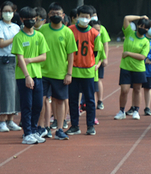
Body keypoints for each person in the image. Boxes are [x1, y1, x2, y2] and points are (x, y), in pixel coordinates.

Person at [39, 3, 76, 140]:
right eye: (53, 14)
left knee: (59, 101)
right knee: (41, 100)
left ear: (63, 15)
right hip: (42, 72)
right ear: (48, 15)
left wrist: (69, 73)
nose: (56, 16)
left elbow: (71, 54)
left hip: (60, 73)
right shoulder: (42, 30)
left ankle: (60, 129)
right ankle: (43, 127)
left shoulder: (67, 32)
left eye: (58, 14)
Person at [12, 7, 48, 145]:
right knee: (27, 105)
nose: (31, 21)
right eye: (28, 19)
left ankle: (34, 130)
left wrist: (30, 60)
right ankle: (27, 133)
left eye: (34, 19)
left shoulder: (39, 36)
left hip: (38, 75)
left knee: (38, 105)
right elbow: (20, 59)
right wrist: (27, 76)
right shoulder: (19, 37)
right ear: (22, 20)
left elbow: (43, 56)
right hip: (23, 76)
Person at [67, 5, 102, 136]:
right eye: (81, 16)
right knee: (73, 99)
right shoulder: (69, 30)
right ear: (77, 17)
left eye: (86, 17)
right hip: (73, 71)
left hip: (87, 71)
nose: (84, 19)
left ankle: (90, 126)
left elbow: (96, 51)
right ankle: (74, 125)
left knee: (90, 100)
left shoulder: (94, 33)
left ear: (90, 18)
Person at [114, 15, 150, 120]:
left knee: (137, 89)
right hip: (125, 67)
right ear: (138, 25)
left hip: (138, 69)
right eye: (141, 26)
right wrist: (140, 16)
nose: (143, 28)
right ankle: (121, 111)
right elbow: (126, 18)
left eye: (146, 27)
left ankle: (136, 110)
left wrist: (128, 53)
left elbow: (142, 57)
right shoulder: (129, 32)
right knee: (124, 90)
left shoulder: (145, 42)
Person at [0, 1, 22, 133]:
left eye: (10, 11)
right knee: (6, 90)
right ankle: (2, 121)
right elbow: (1, 43)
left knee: (15, 90)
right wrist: (16, 38)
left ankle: (11, 120)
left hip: (15, 59)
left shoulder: (16, 27)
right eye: (5, 11)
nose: (7, 13)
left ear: (14, 12)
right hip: (4, 59)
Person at [91, 8, 110, 111]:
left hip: (98, 58)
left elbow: (105, 43)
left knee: (98, 79)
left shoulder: (101, 28)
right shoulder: (89, 28)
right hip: (89, 60)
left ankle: (100, 101)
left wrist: (105, 58)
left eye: (95, 14)